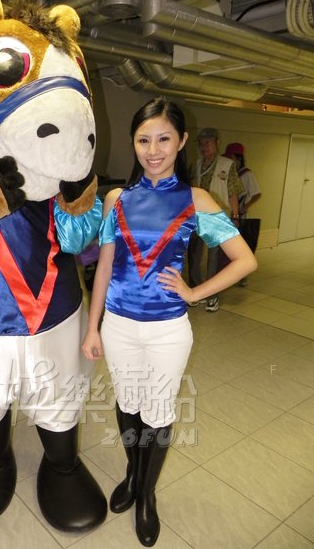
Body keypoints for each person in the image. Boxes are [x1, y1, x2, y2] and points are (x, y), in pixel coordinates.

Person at [82, 98, 257, 547]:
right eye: (144, 140)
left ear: (181, 142)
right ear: (133, 143)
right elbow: (104, 267)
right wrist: (92, 327)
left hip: (167, 330)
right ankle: (132, 472)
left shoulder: (195, 199)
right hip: (118, 325)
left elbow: (244, 259)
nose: (153, 150)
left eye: (164, 139)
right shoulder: (116, 199)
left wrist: (195, 292)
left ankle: (146, 494)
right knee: (127, 404)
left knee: (157, 413)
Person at [187, 127, 244, 311]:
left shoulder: (227, 165)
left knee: (214, 258)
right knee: (194, 255)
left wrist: (235, 217)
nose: (204, 147)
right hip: (197, 216)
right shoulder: (196, 165)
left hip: (218, 217)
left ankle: (212, 296)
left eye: (208, 143)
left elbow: (233, 193)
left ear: (217, 143)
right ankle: (195, 291)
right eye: (201, 144)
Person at [223, 142, 262, 285]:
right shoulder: (227, 172)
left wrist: (246, 206)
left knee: (240, 246)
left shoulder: (247, 174)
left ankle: (243, 275)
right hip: (227, 213)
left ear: (238, 158)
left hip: (239, 215)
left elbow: (257, 194)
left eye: (231, 157)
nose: (228, 160)